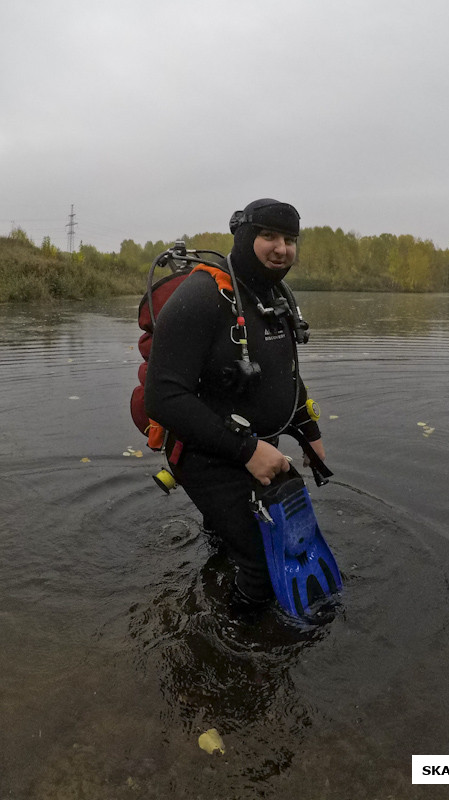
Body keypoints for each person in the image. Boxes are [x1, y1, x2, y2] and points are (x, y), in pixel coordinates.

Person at [145, 198, 326, 603]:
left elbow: (285, 375)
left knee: (234, 545)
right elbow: (163, 397)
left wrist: (308, 433)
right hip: (205, 454)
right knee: (265, 562)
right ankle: (236, 651)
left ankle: (215, 577)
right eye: (268, 235)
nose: (281, 248)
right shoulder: (203, 296)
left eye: (290, 239)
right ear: (244, 237)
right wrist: (246, 451)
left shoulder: (278, 297)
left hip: (256, 447)